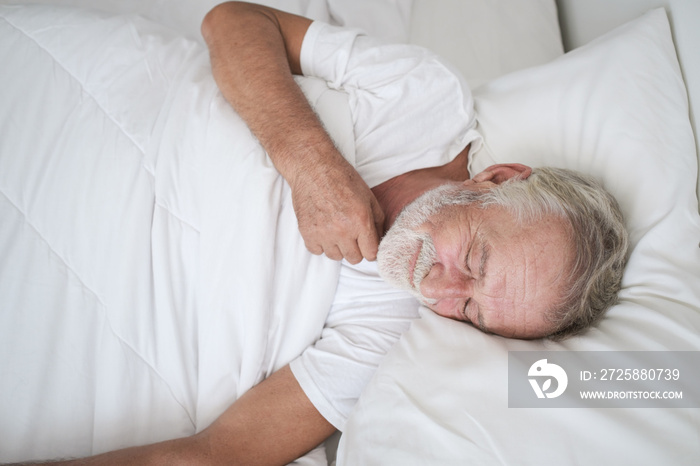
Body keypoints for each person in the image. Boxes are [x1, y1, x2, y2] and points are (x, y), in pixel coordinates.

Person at [4, 2, 627, 465]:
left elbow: (219, 454)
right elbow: (233, 22)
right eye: (478, 258)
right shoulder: (426, 97)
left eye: (468, 309)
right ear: (496, 178)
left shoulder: (393, 340)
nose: (440, 287)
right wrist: (311, 166)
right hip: (89, 115)